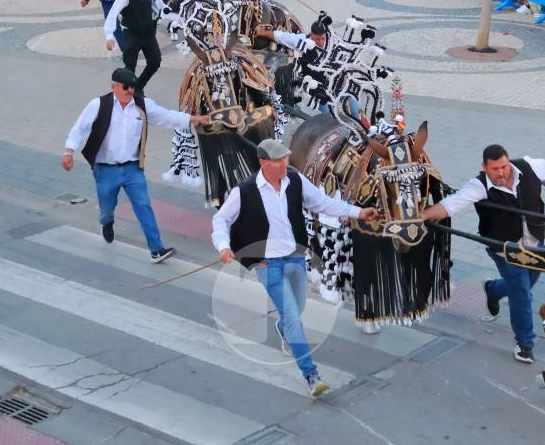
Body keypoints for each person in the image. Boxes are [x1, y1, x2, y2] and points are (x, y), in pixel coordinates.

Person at [211, 138, 377, 396]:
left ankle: (284, 328)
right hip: (268, 264)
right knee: (292, 318)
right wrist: (223, 245)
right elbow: (221, 219)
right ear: (263, 162)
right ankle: (311, 375)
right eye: (277, 160)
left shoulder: (295, 181)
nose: (283, 164)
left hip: (296, 258)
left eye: (285, 159)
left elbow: (322, 203)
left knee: (296, 310)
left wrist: (358, 212)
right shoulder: (244, 191)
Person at [420, 143, 545, 364]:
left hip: (535, 243)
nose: (501, 173)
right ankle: (525, 344)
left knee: (526, 284)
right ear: (484, 167)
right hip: (504, 248)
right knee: (522, 292)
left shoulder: (532, 167)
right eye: (495, 169)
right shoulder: (478, 186)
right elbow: (451, 205)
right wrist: (420, 216)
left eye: (504, 167)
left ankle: (492, 290)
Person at [63, 67, 208, 263]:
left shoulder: (142, 105)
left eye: (133, 86)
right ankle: (107, 222)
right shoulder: (98, 105)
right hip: (106, 169)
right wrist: (69, 151)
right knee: (107, 208)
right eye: (126, 87)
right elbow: (79, 129)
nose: (130, 90)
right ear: (114, 86)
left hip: (133, 168)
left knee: (143, 205)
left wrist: (194, 119)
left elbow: (167, 117)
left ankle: (156, 249)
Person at [104, 0, 166, 92]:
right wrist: (109, 36)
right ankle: (129, 93)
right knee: (130, 67)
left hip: (148, 33)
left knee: (155, 62)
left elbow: (161, 7)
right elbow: (112, 14)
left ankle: (138, 87)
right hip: (132, 34)